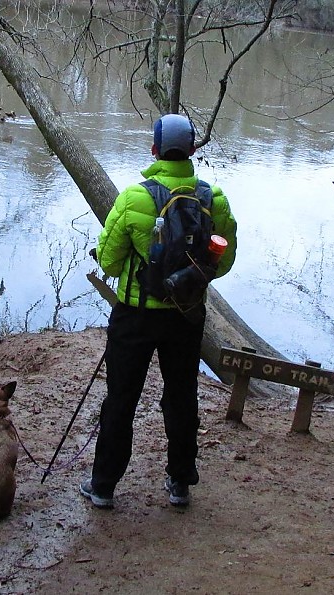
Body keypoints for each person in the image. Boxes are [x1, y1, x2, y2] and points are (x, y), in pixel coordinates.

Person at [80, 114, 237, 509]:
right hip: (185, 315)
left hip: (135, 315)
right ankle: (180, 483)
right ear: (192, 151)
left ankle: (103, 486)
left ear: (154, 150)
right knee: (182, 396)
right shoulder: (213, 198)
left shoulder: (133, 197)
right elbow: (225, 261)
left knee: (121, 398)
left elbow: (111, 264)